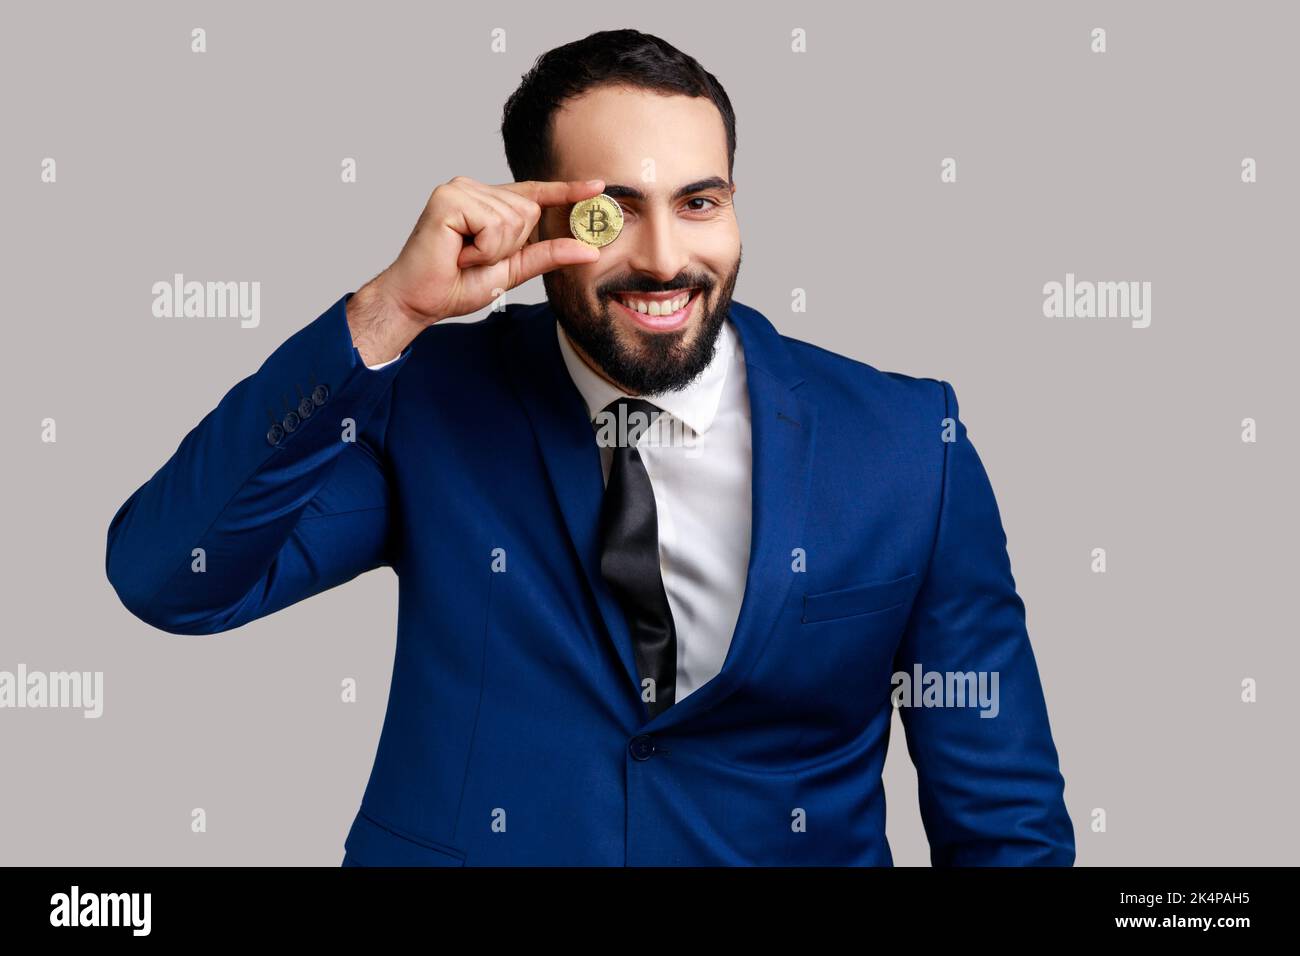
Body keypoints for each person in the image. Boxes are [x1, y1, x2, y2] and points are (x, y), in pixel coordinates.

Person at [105, 28, 1074, 866]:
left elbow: (1001, 806)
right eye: (612, 211)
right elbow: (174, 580)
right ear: (534, 213)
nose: (662, 257)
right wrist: (382, 314)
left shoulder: (907, 440)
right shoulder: (430, 401)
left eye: (699, 202)